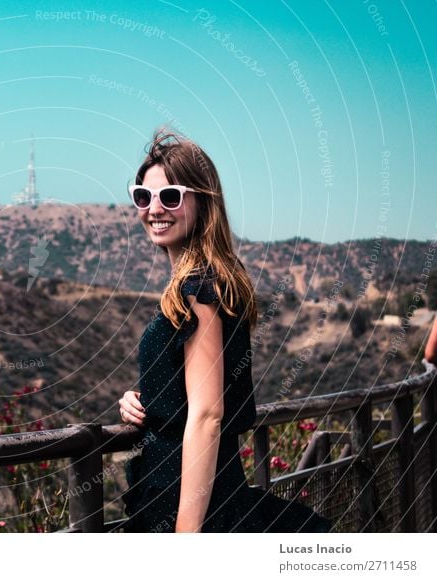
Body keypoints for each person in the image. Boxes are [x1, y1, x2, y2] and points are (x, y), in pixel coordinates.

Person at [117, 128, 332, 533]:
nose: (154, 209)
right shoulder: (209, 281)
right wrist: (141, 396)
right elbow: (196, 388)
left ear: (202, 200)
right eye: (143, 197)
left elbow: (208, 415)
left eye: (171, 196)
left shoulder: (198, 287)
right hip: (201, 493)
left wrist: (186, 537)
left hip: (191, 506)